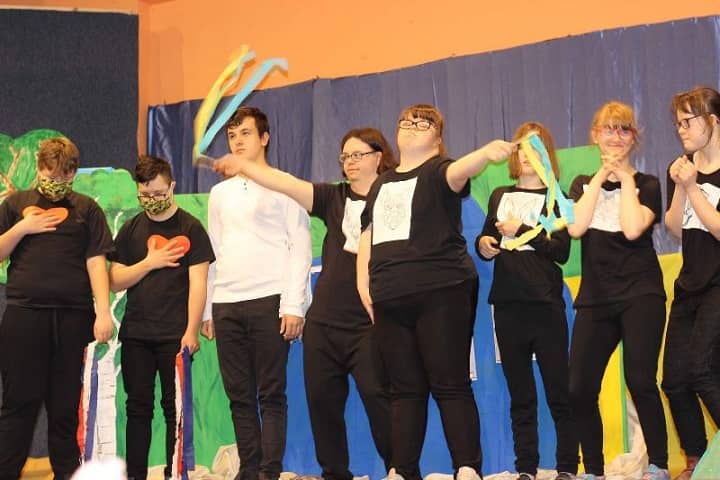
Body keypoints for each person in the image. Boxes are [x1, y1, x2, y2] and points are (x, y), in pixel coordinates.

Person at [213, 127, 394, 480]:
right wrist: (244, 166)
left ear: (379, 156)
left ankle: (399, 468)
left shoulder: (394, 197)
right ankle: (334, 474)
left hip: (369, 321)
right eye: (345, 156)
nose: (350, 162)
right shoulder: (333, 197)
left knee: (379, 397)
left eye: (358, 155)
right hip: (324, 322)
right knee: (323, 405)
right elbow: (286, 183)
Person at [357, 104, 515, 480]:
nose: (412, 126)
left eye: (423, 123)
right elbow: (367, 235)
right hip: (390, 295)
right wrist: (364, 284)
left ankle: (467, 467)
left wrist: (484, 154)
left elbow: (459, 172)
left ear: (438, 139)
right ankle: (401, 469)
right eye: (406, 121)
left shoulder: (439, 169)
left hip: (441, 289)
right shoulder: (381, 184)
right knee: (404, 389)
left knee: (449, 381)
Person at [203, 106, 312, 480]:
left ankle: (269, 471)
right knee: (239, 396)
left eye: (246, 133)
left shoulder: (285, 184)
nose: (237, 141)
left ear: (264, 138)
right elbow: (213, 251)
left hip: (270, 300)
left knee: (271, 394)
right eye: (232, 135)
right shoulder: (219, 194)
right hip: (226, 304)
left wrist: (293, 304)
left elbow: (300, 247)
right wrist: (208, 309)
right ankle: (249, 470)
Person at [0, 137, 114, 480]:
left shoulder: (87, 209)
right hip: (25, 316)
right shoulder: (16, 204)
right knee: (19, 405)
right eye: (51, 175)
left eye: (64, 176)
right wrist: (23, 227)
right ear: (39, 169)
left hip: (73, 318)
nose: (57, 182)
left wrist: (103, 311)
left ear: (73, 173)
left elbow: (96, 262)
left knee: (65, 407)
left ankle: (67, 474)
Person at [567, 101, 668, 480]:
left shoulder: (648, 184)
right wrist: (600, 177)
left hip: (641, 293)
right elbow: (575, 228)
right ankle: (593, 469)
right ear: (595, 135)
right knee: (579, 387)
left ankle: (658, 463)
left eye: (624, 129)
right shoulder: (581, 185)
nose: (615, 136)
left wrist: (625, 180)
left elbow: (632, 228)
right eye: (608, 129)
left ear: (634, 138)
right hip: (596, 298)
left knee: (640, 379)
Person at [475, 122, 576, 480]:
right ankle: (526, 468)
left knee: (558, 391)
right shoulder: (499, 195)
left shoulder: (557, 198)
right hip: (508, 305)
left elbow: (560, 252)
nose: (527, 155)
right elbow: (486, 239)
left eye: (536, 148)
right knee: (521, 395)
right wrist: (484, 246)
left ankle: (567, 466)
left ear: (547, 155)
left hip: (546, 305)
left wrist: (522, 231)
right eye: (521, 148)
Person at [108, 155, 214, 480]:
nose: (151, 200)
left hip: (175, 336)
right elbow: (115, 280)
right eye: (145, 195)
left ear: (172, 187)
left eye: (157, 193)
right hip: (136, 334)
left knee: (174, 409)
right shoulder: (131, 229)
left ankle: (173, 473)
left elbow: (199, 283)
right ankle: (136, 474)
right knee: (138, 408)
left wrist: (191, 330)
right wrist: (149, 263)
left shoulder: (191, 228)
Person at [662, 86, 720, 480]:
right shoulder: (682, 167)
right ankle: (697, 458)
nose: (681, 129)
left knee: (702, 368)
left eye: (688, 121)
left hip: (719, 283)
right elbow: (674, 227)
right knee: (674, 380)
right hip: (689, 285)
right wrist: (683, 187)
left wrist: (693, 186)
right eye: (678, 122)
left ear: (713, 121)